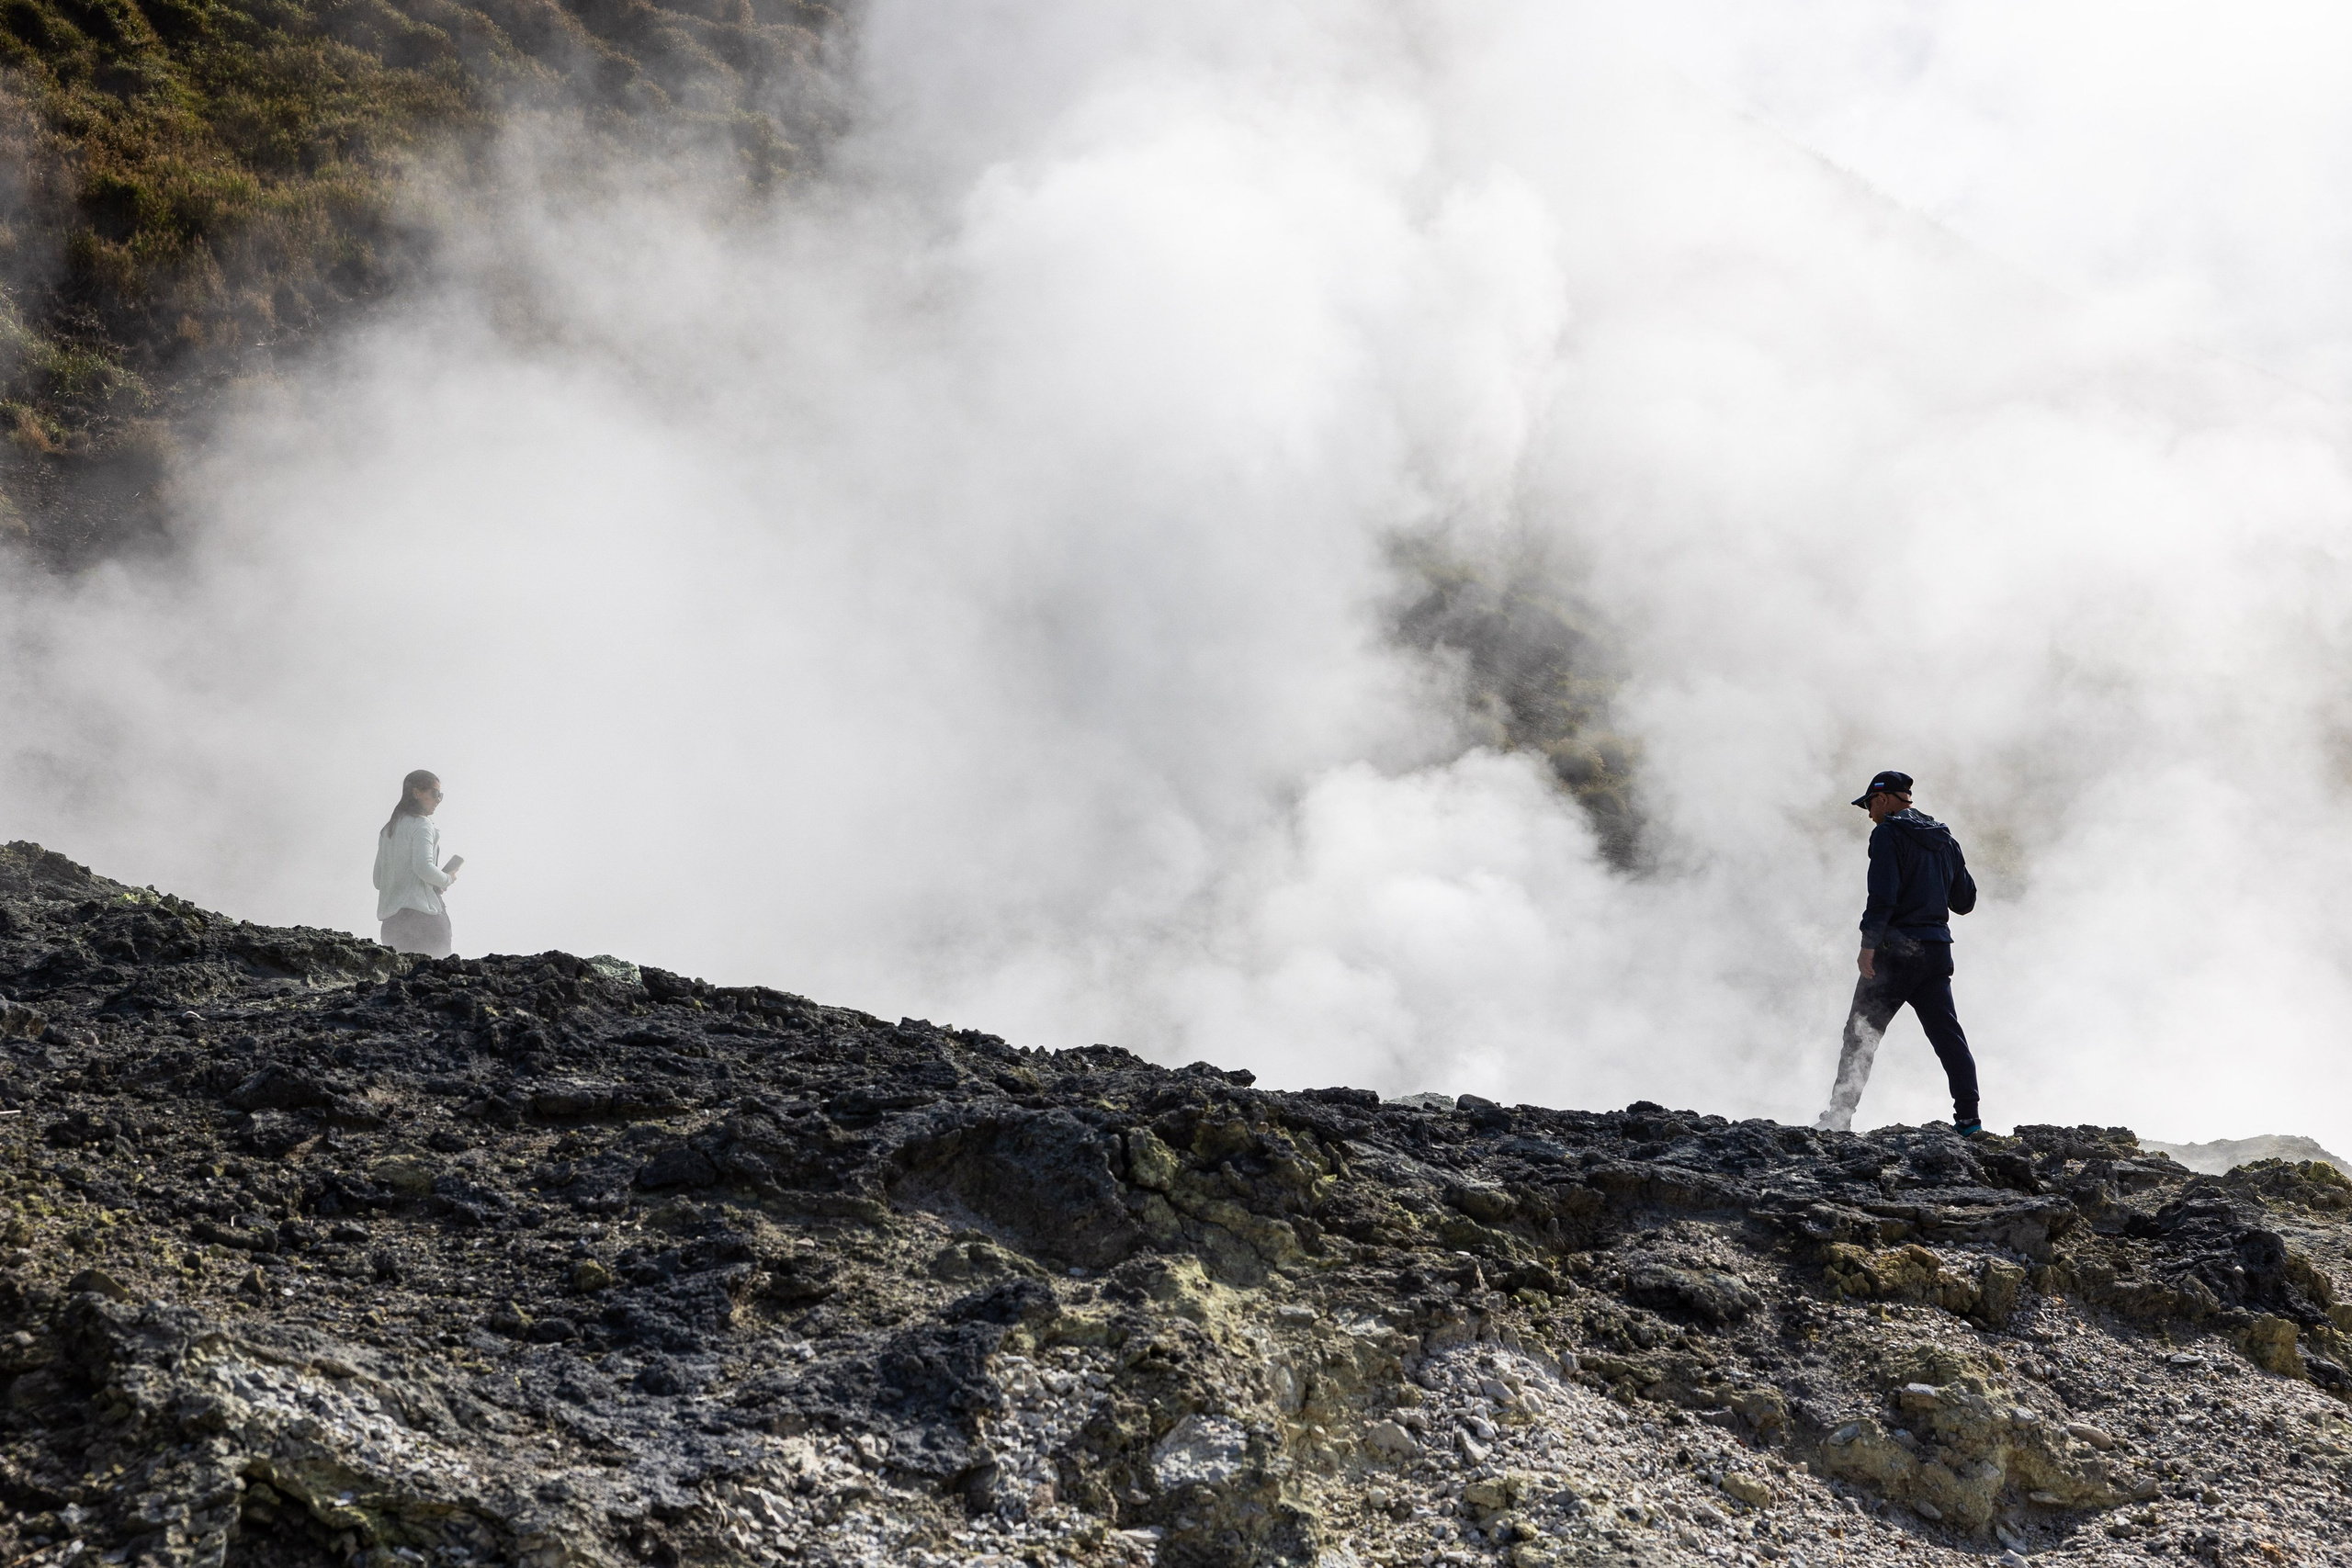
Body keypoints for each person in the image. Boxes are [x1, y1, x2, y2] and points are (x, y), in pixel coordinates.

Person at [1815, 770, 1983, 1137]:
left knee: (1860, 1033)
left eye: (1870, 805)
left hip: (1897, 952)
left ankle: (1838, 1119)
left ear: (1884, 799)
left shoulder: (1888, 833)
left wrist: (1868, 946)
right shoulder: (1945, 837)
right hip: (1937, 951)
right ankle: (1970, 1121)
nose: (1869, 814)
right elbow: (1965, 902)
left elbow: (1883, 897)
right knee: (1948, 1037)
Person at [374, 769, 462, 958]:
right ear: (416, 793)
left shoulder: (388, 829)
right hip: (424, 919)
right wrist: (446, 879)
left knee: (401, 981)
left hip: (392, 923)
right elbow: (423, 867)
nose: (438, 799)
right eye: (435, 793)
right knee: (436, 978)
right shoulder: (422, 825)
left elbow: (377, 880)